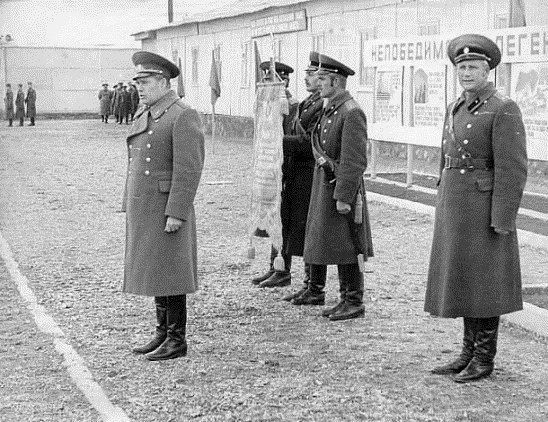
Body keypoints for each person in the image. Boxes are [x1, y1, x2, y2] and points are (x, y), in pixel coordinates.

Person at [425, 34, 528, 383]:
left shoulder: (503, 108)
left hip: (483, 208)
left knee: (485, 282)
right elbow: (445, 154)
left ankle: (484, 357)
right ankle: (467, 352)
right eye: (462, 68)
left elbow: (513, 169)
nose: (466, 73)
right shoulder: (456, 106)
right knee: (466, 279)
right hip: (456, 205)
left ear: (487, 71)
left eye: (473, 67)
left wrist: (503, 217)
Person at [122, 51, 205, 361]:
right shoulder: (147, 113)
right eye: (138, 82)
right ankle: (162, 331)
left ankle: (176, 338)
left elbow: (189, 169)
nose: (139, 88)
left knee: (171, 270)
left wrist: (177, 212)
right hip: (146, 205)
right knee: (156, 268)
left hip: (166, 207)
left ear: (162, 81)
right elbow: (133, 162)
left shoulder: (182, 115)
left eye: (144, 82)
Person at [299, 53, 374, 320]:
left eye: (322, 79)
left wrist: (344, 196)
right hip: (326, 184)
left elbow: (355, 161)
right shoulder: (331, 108)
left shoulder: (351, 112)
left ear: (335, 81)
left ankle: (354, 300)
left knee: (350, 244)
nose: (317, 83)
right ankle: (345, 298)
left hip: (341, 186)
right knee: (338, 242)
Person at [274, 52, 325, 300]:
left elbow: (310, 143)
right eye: (307, 74)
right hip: (297, 172)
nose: (306, 78)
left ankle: (314, 285)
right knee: (297, 225)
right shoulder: (308, 103)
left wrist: (279, 142)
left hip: (309, 172)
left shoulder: (321, 105)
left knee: (309, 228)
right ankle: (307, 283)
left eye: (312, 74)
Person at [251, 60, 300, 288]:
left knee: (283, 219)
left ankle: (282, 270)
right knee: (273, 215)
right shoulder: (267, 103)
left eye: (269, 79)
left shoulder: (290, 105)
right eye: (264, 79)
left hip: (285, 167)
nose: (265, 83)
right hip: (269, 166)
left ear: (283, 81)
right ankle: (274, 266)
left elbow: (289, 135)